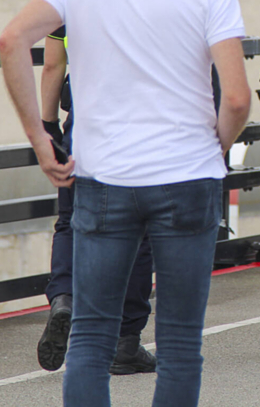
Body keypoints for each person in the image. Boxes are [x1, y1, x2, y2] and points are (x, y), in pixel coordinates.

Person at [0, 0, 251, 407]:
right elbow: (235, 97)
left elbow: (12, 42)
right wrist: (217, 146)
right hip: (186, 178)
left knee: (90, 336)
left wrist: (42, 140)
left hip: (103, 179)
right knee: (181, 343)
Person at [36, 26, 156, 375]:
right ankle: (125, 341)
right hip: (141, 125)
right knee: (139, 229)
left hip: (84, 126)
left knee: (71, 220)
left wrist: (48, 125)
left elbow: (53, 65)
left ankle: (64, 298)